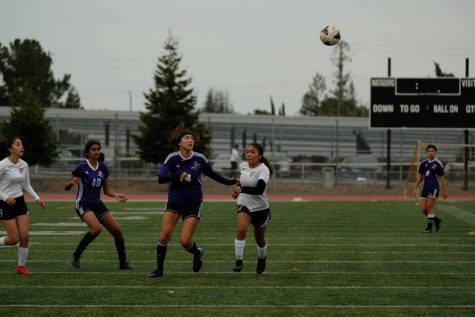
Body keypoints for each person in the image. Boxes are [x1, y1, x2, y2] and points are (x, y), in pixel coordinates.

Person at [149, 123, 238, 278]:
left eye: (192, 138)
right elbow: (161, 179)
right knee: (164, 237)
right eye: (187, 138)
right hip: (174, 201)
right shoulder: (172, 158)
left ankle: (197, 253)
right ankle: (159, 270)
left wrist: (230, 182)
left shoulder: (199, 158)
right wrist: (178, 175)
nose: (190, 140)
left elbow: (212, 174)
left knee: (185, 241)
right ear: (179, 142)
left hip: (193, 202)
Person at [64, 140, 132, 269]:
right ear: (88, 152)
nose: (97, 152)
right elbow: (66, 187)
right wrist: (71, 183)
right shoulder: (81, 167)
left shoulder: (103, 168)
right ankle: (76, 255)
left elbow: (106, 190)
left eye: (98, 149)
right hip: (83, 203)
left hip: (97, 203)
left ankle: (123, 263)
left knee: (117, 231)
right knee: (96, 229)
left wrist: (116, 195)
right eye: (94, 149)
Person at [0, 137, 46, 274]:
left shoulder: (24, 165)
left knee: (24, 235)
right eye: (18, 144)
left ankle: (21, 267)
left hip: (19, 202)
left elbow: (26, 184)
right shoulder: (2, 165)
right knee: (14, 239)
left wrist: (37, 198)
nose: (21, 147)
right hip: (4, 203)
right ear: (10, 149)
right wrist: (4, 197)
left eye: (22, 145)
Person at [231, 143, 272, 274]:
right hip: (244, 204)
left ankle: (262, 258)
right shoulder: (243, 166)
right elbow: (241, 181)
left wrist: (241, 189)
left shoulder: (263, 169)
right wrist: (237, 191)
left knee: (259, 240)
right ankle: (238, 260)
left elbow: (259, 189)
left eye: (253, 152)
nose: (249, 154)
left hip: (261, 208)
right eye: (247, 152)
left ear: (259, 155)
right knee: (241, 229)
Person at [412, 144, 448, 233]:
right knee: (424, 209)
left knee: (429, 207)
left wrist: (444, 191)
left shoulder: (438, 164)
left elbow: (442, 179)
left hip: (434, 188)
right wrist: (415, 188)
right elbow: (420, 178)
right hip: (425, 188)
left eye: (432, 151)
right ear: (427, 152)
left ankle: (429, 228)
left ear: (435, 152)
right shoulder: (423, 163)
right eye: (429, 151)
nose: (431, 153)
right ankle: (436, 220)